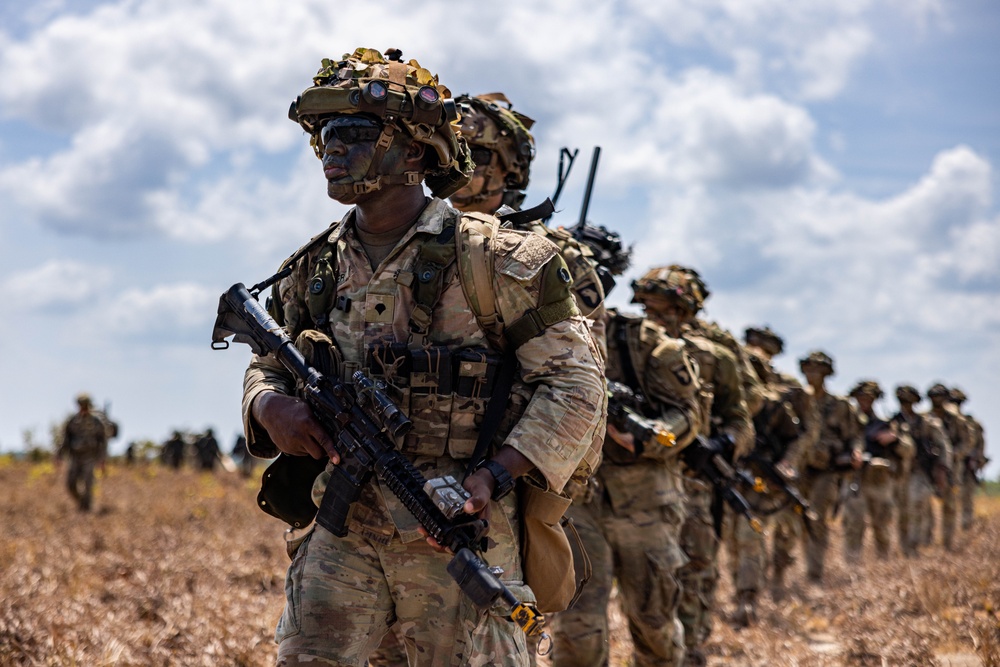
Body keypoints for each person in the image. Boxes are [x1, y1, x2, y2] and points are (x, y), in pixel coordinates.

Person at [241, 47, 606, 667]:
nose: (333, 150)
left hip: (458, 528)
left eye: (354, 134)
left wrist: (493, 478)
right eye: (326, 136)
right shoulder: (314, 267)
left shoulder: (495, 261)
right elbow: (271, 358)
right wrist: (269, 404)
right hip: (340, 532)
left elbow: (576, 385)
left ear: (415, 152)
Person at [548, 303, 705, 667]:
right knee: (578, 626)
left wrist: (645, 437)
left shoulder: (645, 342)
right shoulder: (549, 330)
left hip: (644, 502)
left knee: (653, 620)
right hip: (579, 499)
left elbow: (687, 413)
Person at [629, 265, 752, 666]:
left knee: (696, 572)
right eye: (647, 308)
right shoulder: (629, 348)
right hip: (642, 484)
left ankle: (692, 650)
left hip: (696, 485)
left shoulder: (715, 358)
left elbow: (741, 420)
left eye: (664, 310)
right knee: (649, 582)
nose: (655, 318)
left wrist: (722, 443)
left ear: (685, 311)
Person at [448, 92, 621, 360]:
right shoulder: (421, 236)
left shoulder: (558, 255)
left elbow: (586, 363)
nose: (461, 163)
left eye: (476, 154)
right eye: (452, 149)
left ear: (508, 166)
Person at [738, 326, 819, 604]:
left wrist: (788, 461)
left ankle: (778, 581)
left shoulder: (792, 388)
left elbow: (809, 431)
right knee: (747, 532)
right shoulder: (739, 379)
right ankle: (747, 595)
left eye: (764, 345)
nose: (757, 348)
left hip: (780, 471)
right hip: (745, 469)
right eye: (752, 342)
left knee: (785, 534)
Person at [797, 351, 862, 585]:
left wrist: (856, 452)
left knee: (817, 518)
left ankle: (814, 574)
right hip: (798, 469)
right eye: (809, 369)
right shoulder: (795, 400)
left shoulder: (840, 405)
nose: (812, 374)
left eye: (818, 370)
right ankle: (780, 574)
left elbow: (856, 435)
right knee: (794, 519)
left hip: (828, 471)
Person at [842, 380, 914, 562]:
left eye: (869, 398)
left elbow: (909, 449)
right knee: (853, 523)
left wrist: (894, 439)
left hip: (880, 481)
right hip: (854, 478)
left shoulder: (887, 424)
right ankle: (852, 565)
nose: (865, 402)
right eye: (861, 398)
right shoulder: (848, 423)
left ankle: (883, 563)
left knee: (882, 524)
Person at [891, 385, 950, 557]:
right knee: (902, 511)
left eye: (909, 402)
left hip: (921, 472)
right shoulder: (894, 422)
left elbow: (943, 446)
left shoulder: (925, 422)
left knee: (918, 507)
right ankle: (905, 549)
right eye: (902, 401)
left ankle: (915, 546)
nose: (905, 405)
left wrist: (942, 468)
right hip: (899, 472)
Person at [926, 383, 970, 551]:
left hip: (953, 469)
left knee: (950, 506)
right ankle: (927, 541)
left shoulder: (957, 419)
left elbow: (967, 442)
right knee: (924, 505)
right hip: (929, 468)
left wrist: (951, 456)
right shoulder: (926, 418)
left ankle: (948, 543)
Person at [56, 393, 112, 511]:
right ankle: (81, 502)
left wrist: (102, 459)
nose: (83, 408)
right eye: (81, 405)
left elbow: (103, 442)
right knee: (70, 484)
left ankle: (86, 510)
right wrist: (59, 455)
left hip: (90, 457)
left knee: (88, 484)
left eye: (85, 405)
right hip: (75, 457)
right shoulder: (72, 421)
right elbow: (65, 439)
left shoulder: (97, 422)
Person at [950, 388, 987, 531]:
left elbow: (980, 445)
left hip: (967, 467)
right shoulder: (944, 422)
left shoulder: (972, 423)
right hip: (949, 466)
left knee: (967, 500)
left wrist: (978, 460)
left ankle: (966, 530)